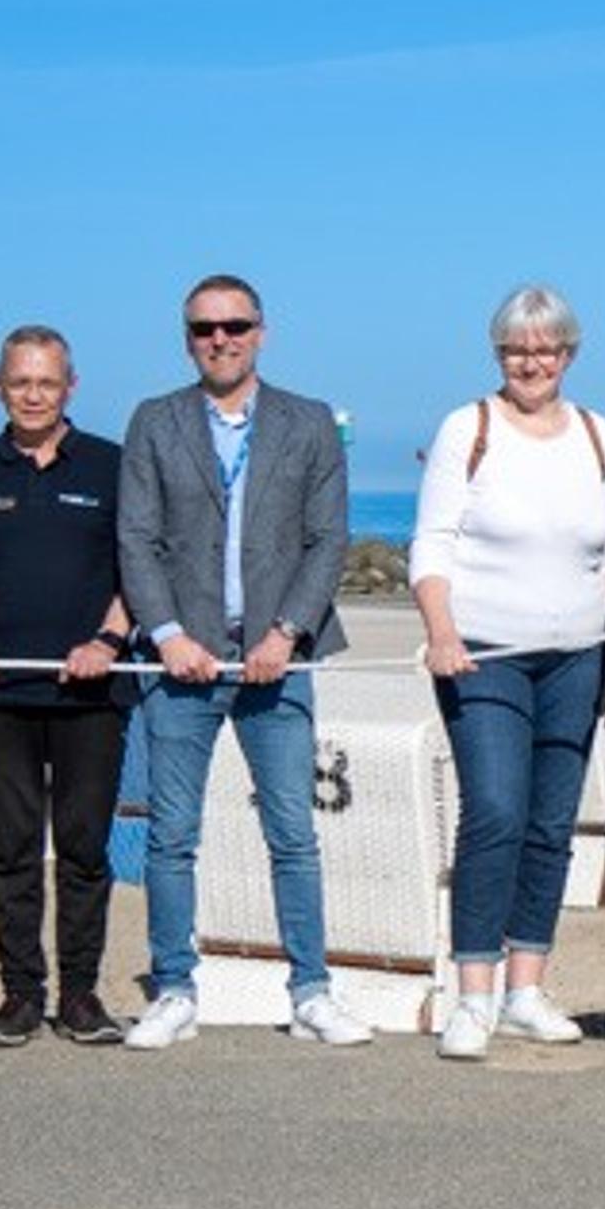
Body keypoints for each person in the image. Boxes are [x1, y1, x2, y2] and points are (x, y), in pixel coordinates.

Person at [116, 273, 370, 1051]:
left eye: (233, 325)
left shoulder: (309, 421)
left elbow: (326, 539)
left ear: (261, 330)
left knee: (293, 832)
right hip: (182, 663)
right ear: (187, 337)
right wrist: (166, 634)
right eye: (203, 328)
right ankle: (174, 988)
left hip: (276, 662)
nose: (219, 339)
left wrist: (285, 632)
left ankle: (312, 990)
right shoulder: (155, 421)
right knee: (171, 835)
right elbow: (136, 537)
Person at [412, 285, 605, 1062]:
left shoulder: (600, 435)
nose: (531, 361)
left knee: (550, 823)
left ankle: (525, 987)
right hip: (483, 653)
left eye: (546, 348)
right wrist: (440, 631)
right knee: (496, 810)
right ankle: (471, 991)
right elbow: (431, 545)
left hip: (576, 656)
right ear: (498, 353)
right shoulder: (465, 429)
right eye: (516, 348)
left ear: (568, 352)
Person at [0, 326, 138, 1048]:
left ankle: (80, 994)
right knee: (13, 848)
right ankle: (20, 994)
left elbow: (137, 573)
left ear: (70, 387)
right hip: (0, 694)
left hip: (92, 694)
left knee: (84, 847)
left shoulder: (114, 465)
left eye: (46, 382)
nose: (32, 394)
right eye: (20, 381)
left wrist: (108, 641)